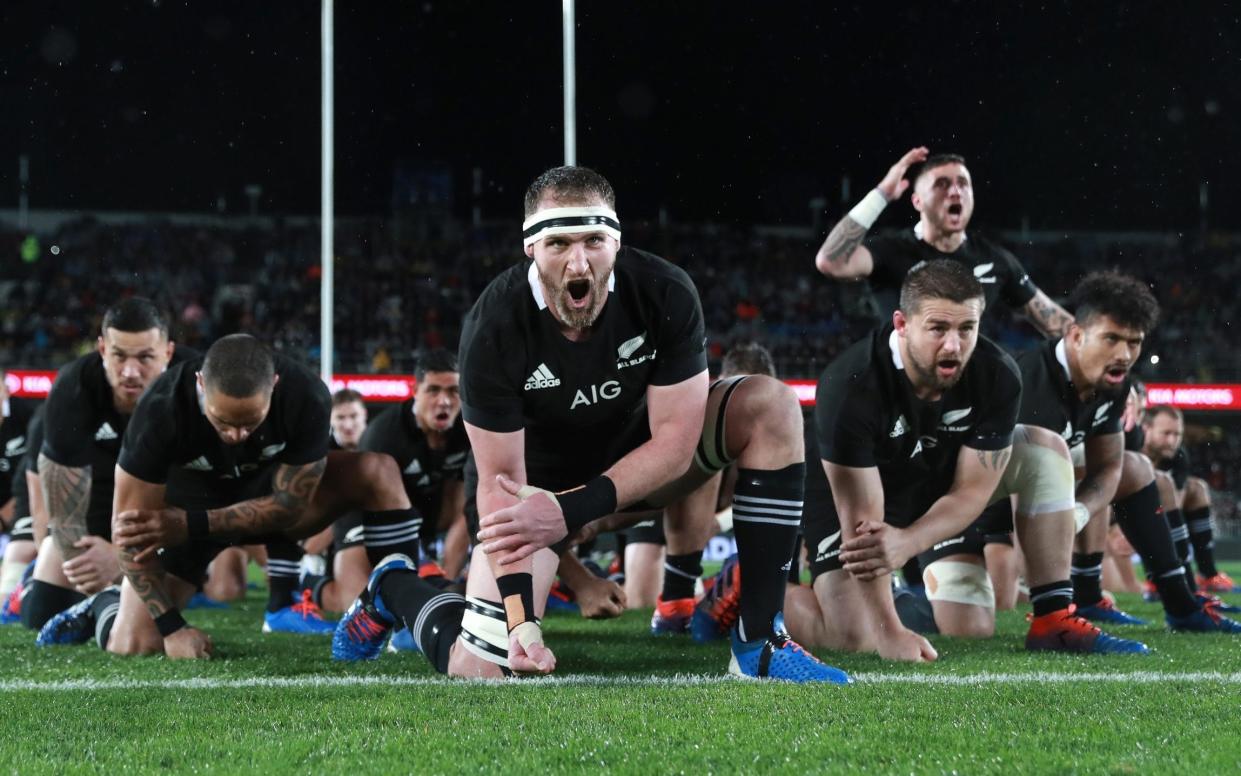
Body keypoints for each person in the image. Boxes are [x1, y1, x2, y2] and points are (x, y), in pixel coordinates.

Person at [333, 165, 847, 683]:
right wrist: (519, 623)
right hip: (534, 494)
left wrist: (575, 510)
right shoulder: (493, 325)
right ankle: (394, 587)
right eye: (558, 243)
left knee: (771, 404)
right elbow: (498, 482)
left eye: (595, 240)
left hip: (638, 469)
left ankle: (759, 639)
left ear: (617, 241)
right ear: (531, 248)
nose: (579, 262)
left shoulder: (664, 291)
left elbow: (676, 442)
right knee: (483, 668)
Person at [783, 260, 1145, 659]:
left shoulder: (998, 376)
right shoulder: (851, 384)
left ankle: (1053, 618)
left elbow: (973, 490)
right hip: (843, 500)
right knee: (855, 638)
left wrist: (909, 541)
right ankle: (754, 584)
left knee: (1045, 449)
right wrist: (888, 633)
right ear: (901, 323)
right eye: (938, 329)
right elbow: (862, 522)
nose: (954, 345)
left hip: (930, 479)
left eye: (966, 329)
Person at [40, 335, 423, 658]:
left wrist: (188, 524)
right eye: (223, 421)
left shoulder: (307, 395)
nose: (237, 436)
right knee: (135, 642)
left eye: (250, 422)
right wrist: (173, 629)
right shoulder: (159, 411)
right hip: (188, 513)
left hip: (251, 512)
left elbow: (290, 507)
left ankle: (407, 611)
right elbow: (128, 531)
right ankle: (105, 604)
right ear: (200, 386)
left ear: (274, 384)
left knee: (378, 470)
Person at [1015, 272, 1240, 633]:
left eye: (1133, 343)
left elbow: (1109, 468)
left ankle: (1176, 603)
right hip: (985, 505)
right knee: (969, 622)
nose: (1124, 354)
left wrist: (1077, 513)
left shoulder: (1113, 384)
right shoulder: (1027, 381)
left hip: (1041, 490)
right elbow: (1007, 481)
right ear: (1075, 335)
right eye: (1111, 339)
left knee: (1135, 467)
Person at [22, 298, 184, 632]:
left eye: (145, 357)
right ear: (101, 348)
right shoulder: (73, 388)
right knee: (39, 617)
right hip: (92, 527)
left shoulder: (191, 388)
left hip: (164, 529)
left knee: (199, 597)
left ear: (168, 352)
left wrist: (124, 561)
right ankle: (90, 596)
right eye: (119, 355)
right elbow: (62, 516)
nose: (130, 371)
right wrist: (96, 562)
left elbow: (206, 491)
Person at [814, 148, 1074, 338]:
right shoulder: (891, 250)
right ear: (917, 201)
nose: (954, 191)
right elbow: (831, 261)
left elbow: (1057, 323)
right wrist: (881, 195)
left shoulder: (996, 260)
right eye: (942, 184)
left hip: (967, 394)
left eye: (963, 183)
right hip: (899, 394)